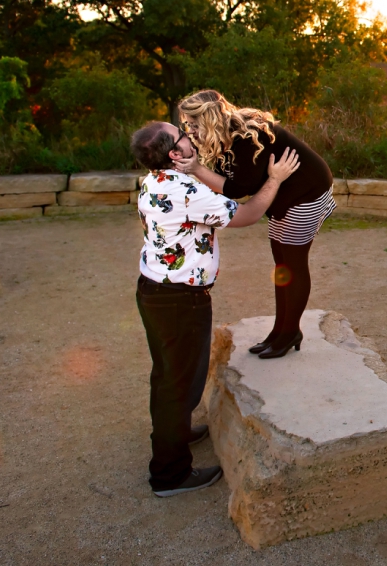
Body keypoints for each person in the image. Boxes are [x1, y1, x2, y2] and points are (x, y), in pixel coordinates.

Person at [131, 120, 300, 497]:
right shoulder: (186, 191)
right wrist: (274, 178)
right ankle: (169, 475)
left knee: (167, 374)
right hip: (180, 300)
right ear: (176, 154)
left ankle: (174, 435)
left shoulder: (153, 181)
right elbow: (248, 214)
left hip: (154, 291)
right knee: (181, 384)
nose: (190, 137)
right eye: (182, 136)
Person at [172, 90, 335, 359]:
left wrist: (196, 169)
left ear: (210, 118)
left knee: (293, 263)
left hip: (308, 193)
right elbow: (229, 178)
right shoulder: (226, 135)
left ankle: (289, 331)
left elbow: (237, 189)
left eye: (194, 124)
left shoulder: (248, 138)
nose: (190, 130)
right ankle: (279, 331)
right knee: (282, 264)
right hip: (283, 196)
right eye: (187, 124)